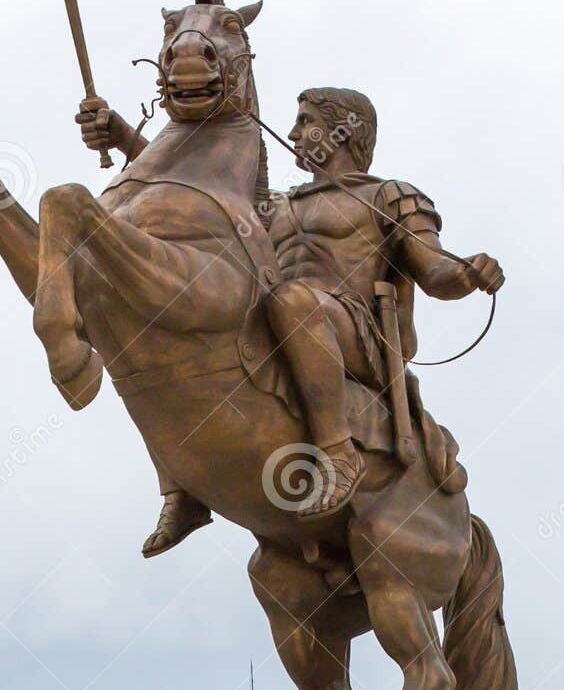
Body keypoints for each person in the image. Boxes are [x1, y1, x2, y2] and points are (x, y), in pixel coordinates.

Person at [76, 85, 504, 550]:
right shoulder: (276, 205)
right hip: (278, 319)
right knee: (165, 324)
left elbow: (436, 270)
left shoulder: (390, 195)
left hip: (354, 331)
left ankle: (338, 453)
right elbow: (195, 188)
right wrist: (122, 136)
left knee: (291, 300)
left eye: (305, 120)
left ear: (346, 129)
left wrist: (469, 273)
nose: (294, 132)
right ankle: (183, 483)